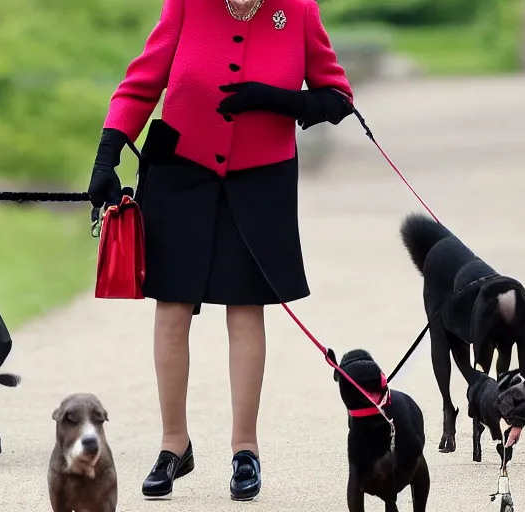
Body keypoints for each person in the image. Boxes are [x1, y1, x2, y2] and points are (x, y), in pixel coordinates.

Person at [87, 0, 354, 501]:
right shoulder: (186, 5)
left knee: (245, 309)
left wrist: (277, 100)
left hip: (260, 180)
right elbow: (141, 84)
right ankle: (173, 446)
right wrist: (108, 154)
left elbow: (337, 97)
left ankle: (244, 450)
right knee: (171, 308)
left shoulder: (297, 12)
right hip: (180, 170)